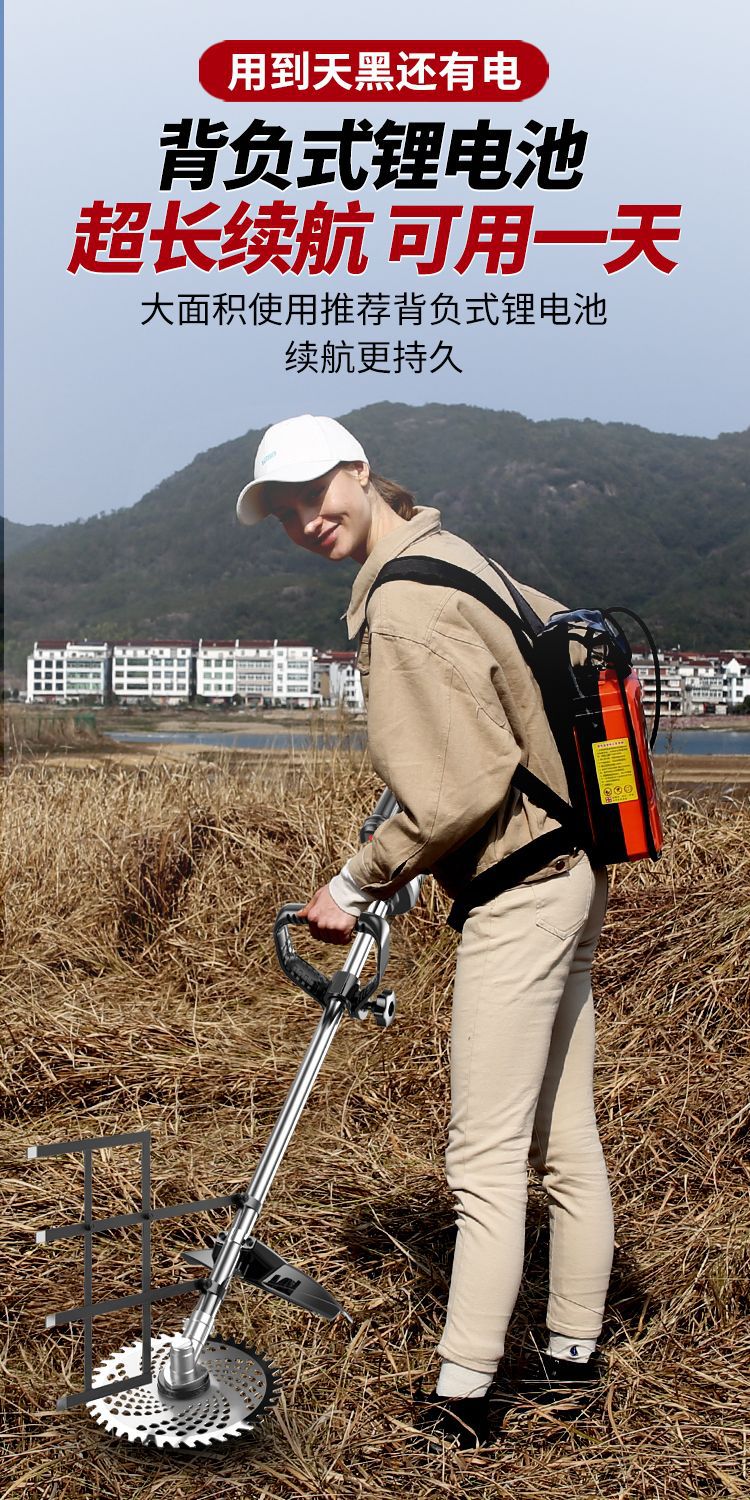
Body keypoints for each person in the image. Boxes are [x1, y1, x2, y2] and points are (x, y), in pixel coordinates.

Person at [236, 414, 614, 1448]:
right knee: (561, 1138)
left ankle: (463, 1398)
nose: (305, 519)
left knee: (483, 1157)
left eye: (316, 492)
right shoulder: (452, 554)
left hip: (521, 888)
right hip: (574, 864)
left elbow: (459, 785)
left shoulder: (401, 603)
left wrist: (356, 880)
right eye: (284, 509)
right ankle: (573, 1358)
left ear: (360, 472)